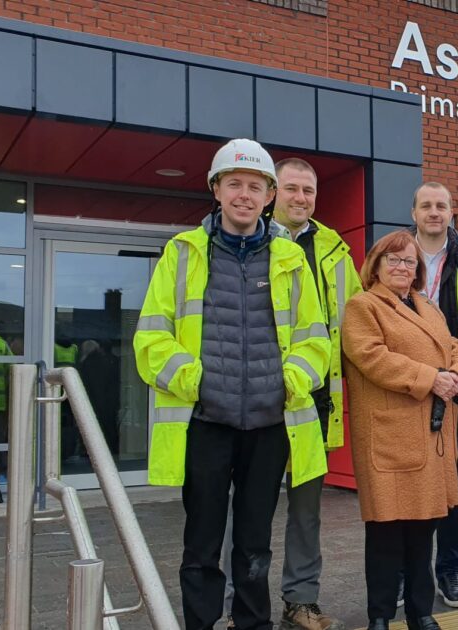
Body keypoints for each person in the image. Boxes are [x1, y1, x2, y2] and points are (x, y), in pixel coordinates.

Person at [133, 138, 331, 630]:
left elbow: (316, 340)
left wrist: (288, 384)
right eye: (234, 184)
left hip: (269, 422)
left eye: (255, 186)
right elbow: (151, 339)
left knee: (254, 542)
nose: (244, 194)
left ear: (269, 197)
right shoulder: (181, 254)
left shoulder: (291, 258)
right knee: (200, 541)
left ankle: (253, 623)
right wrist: (199, 381)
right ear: (216, 190)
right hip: (206, 421)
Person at [217, 157, 361, 630]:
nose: (301, 198)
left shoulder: (335, 250)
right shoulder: (249, 241)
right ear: (275, 192)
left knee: (306, 509)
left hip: (311, 402)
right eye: (293, 188)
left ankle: (301, 600)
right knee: (247, 505)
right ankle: (241, 596)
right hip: (255, 399)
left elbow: (353, 325)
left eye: (309, 191)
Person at [341, 230, 458, 630]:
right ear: (377, 265)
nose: (402, 267)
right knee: (385, 532)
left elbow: (457, 350)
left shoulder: (428, 307)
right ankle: (380, 615)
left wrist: (455, 376)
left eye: (410, 261)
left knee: (423, 531)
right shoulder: (362, 306)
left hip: (431, 437)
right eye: (394, 260)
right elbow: (370, 356)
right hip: (389, 436)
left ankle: (421, 612)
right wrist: (430, 378)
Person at [406, 182, 458, 608]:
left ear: (452, 212)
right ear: (413, 212)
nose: (434, 212)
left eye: (442, 206)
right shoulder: (396, 252)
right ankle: (405, 573)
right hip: (407, 381)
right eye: (427, 206)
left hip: (454, 382)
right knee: (407, 478)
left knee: (456, 482)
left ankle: (449, 571)